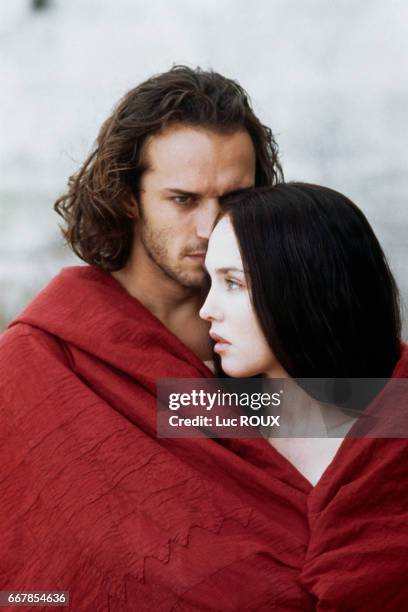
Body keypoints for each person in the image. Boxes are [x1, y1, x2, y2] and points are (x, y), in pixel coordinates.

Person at [0, 66, 304, 611]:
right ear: (127, 198)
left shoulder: (297, 326)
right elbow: (30, 577)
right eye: (184, 200)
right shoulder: (41, 359)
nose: (211, 228)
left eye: (233, 199)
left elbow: (381, 441)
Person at [200, 182, 408, 610]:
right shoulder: (202, 418)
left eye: (233, 283)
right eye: (210, 281)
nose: (207, 309)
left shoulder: (395, 435)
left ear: (301, 286)